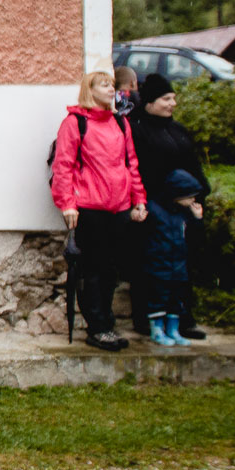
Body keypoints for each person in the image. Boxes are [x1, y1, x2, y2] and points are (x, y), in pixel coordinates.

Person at [50, 70, 147, 352]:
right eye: (104, 85)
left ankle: (107, 322)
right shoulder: (75, 123)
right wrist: (67, 203)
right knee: (92, 269)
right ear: (89, 90)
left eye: (112, 85)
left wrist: (139, 199)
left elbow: (131, 164)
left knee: (111, 269)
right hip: (90, 208)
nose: (111, 89)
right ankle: (98, 327)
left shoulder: (120, 122)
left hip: (120, 207)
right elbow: (63, 166)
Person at [129, 74, 211, 339]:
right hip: (155, 208)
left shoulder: (178, 130)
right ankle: (147, 318)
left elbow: (194, 165)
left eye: (173, 98)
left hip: (184, 208)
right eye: (166, 98)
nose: (172, 103)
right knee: (151, 265)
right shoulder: (137, 130)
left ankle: (183, 319)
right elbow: (138, 169)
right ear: (150, 102)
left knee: (183, 266)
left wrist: (200, 192)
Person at [138, 169, 204, 346]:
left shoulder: (184, 212)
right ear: (177, 193)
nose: (193, 200)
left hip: (179, 265)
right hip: (158, 264)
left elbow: (195, 238)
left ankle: (173, 330)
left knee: (177, 299)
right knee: (157, 298)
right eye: (190, 196)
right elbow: (140, 235)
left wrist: (197, 219)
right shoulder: (153, 209)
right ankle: (157, 330)